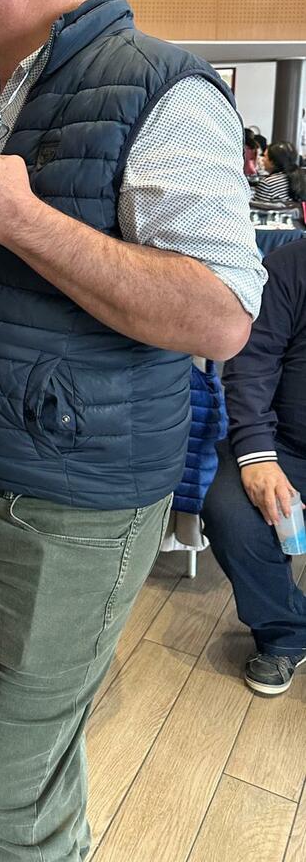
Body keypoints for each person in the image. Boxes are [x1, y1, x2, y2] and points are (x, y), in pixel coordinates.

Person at [0, 0, 266, 861]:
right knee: (37, 748)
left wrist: (20, 218)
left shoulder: (163, 89)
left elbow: (221, 315)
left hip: (71, 511)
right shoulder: (7, 92)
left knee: (4, 794)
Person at [202, 239, 306, 695]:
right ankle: (285, 632)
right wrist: (258, 454)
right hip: (284, 444)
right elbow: (253, 363)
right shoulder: (291, 264)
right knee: (230, 511)